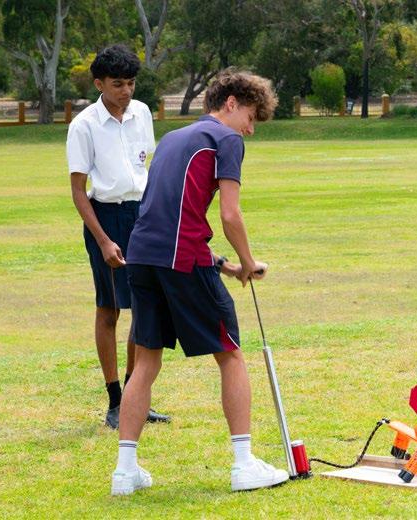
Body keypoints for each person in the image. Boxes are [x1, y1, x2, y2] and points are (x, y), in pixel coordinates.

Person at [110, 69, 288, 495]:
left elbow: (170, 215)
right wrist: (249, 263)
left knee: (146, 361)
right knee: (230, 353)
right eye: (251, 117)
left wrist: (225, 265)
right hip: (180, 259)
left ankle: (124, 472)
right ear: (231, 103)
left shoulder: (173, 138)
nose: (251, 129)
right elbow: (229, 214)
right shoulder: (227, 139)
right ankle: (244, 465)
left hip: (143, 257)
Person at [66, 44, 169, 429]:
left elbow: (147, 170)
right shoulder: (84, 125)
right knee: (109, 309)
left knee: (144, 308)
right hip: (106, 217)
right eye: (117, 84)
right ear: (99, 84)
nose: (126, 91)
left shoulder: (142, 113)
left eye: (130, 83)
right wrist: (104, 240)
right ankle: (114, 401)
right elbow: (79, 191)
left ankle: (134, 396)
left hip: (142, 214)